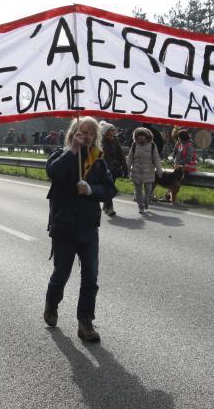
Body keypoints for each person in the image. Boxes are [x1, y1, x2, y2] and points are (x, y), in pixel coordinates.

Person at [43, 116, 117, 343]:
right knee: (61, 274)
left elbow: (110, 189)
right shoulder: (60, 154)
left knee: (90, 278)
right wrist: (73, 150)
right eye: (82, 132)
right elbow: (53, 172)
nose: (87, 136)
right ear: (74, 133)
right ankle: (52, 303)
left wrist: (91, 190)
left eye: (91, 133)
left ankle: (85, 322)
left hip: (88, 228)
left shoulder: (97, 160)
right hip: (64, 227)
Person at [127, 126, 163, 214]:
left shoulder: (152, 146)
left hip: (148, 172)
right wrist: (127, 168)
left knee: (148, 190)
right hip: (136, 172)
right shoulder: (134, 145)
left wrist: (159, 170)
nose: (140, 137)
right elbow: (130, 157)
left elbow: (156, 159)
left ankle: (146, 200)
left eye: (142, 135)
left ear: (147, 136)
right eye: (138, 135)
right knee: (138, 191)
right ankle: (140, 206)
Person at [99, 121, 127, 217]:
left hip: (114, 168)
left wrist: (125, 168)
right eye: (112, 130)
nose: (114, 131)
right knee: (108, 187)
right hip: (104, 168)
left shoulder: (115, 141)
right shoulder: (100, 141)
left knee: (110, 187)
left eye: (114, 129)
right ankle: (109, 207)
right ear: (106, 131)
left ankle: (106, 205)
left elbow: (121, 155)